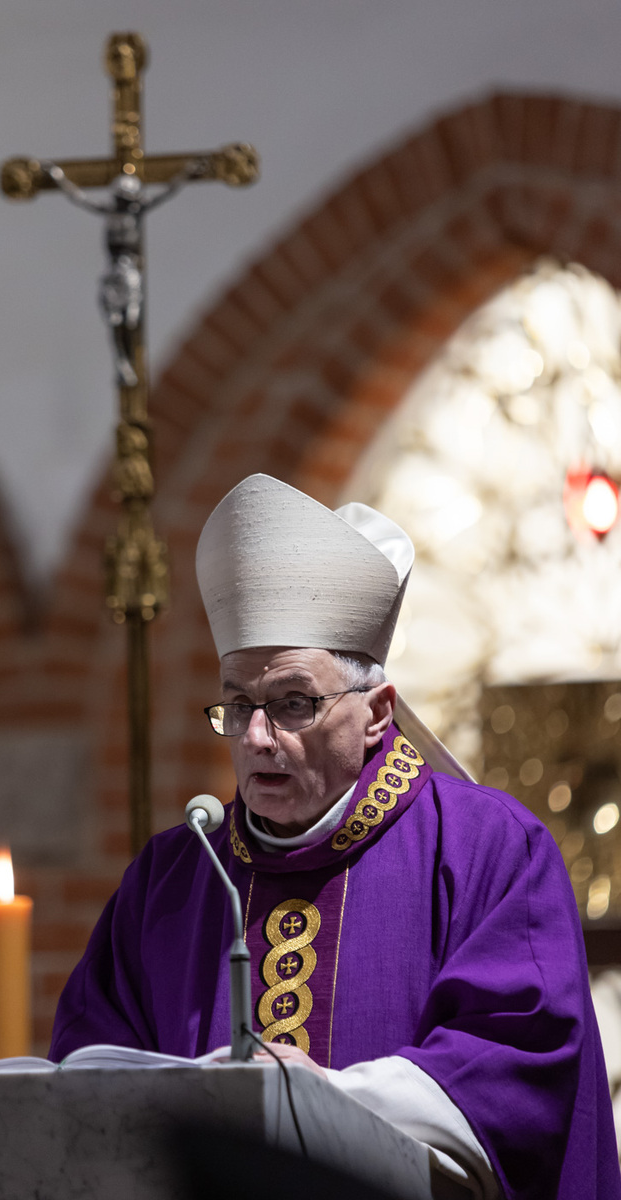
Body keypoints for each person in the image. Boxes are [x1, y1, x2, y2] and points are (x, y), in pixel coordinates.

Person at [50, 474, 620, 1200]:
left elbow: (514, 1065)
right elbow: (87, 1078)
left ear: (378, 713)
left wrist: (323, 1103)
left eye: (292, 702)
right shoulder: (174, 877)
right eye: (237, 704)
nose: (256, 738)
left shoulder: (490, 850)